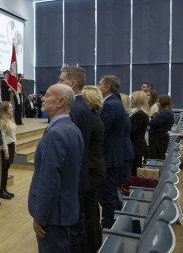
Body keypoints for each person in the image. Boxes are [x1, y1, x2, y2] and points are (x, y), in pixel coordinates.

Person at [28, 84, 84, 253]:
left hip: (53, 216)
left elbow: (50, 181)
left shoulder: (56, 134)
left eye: (48, 95)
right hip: (64, 209)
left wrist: (40, 217)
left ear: (61, 101)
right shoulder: (72, 128)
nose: (42, 98)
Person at [58, 66, 91, 252]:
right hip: (79, 177)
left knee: (73, 230)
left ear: (72, 83)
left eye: (61, 80)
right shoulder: (81, 107)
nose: (58, 82)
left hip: (73, 180)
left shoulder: (74, 110)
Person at [97, 75, 126, 229]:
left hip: (108, 155)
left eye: (99, 84)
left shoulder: (109, 105)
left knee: (107, 192)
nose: (97, 86)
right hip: (113, 154)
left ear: (107, 87)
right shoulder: (116, 102)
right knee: (110, 191)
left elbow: (103, 131)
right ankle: (115, 220)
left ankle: (108, 225)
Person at [81, 86, 106, 253]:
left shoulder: (90, 118)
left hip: (91, 169)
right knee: (92, 212)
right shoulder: (96, 116)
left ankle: (92, 247)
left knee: (89, 214)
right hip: (96, 167)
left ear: (87, 101)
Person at [0, 101, 17, 199]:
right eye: (10, 108)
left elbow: (13, 135)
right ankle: (1, 191)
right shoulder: (2, 121)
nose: (12, 109)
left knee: (6, 170)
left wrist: (15, 147)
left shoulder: (11, 119)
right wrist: (6, 151)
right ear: (4, 109)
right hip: (6, 147)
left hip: (12, 145)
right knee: (3, 170)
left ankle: (4, 189)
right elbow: (3, 137)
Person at [148, 94, 174, 160]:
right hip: (157, 138)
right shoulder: (164, 113)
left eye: (158, 102)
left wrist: (152, 119)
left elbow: (153, 123)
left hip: (159, 138)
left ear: (164, 102)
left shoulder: (166, 113)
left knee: (157, 158)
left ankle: (157, 170)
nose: (157, 103)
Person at [130, 90, 150, 174]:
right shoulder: (138, 112)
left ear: (138, 100)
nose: (130, 100)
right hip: (136, 144)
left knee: (134, 170)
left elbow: (132, 131)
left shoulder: (140, 114)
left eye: (132, 99)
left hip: (136, 145)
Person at [118, 93, 134, 187]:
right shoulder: (125, 116)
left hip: (123, 149)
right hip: (126, 147)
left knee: (123, 180)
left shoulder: (123, 117)